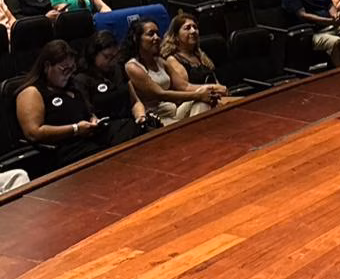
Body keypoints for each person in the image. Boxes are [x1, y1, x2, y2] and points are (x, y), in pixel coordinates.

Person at [16, 41, 133, 169]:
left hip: (90, 138)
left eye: (72, 69)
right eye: (65, 69)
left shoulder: (72, 86)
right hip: (65, 148)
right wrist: (75, 129)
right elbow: (33, 133)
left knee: (129, 129)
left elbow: (88, 112)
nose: (69, 74)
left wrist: (93, 120)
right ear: (47, 66)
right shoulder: (32, 92)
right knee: (108, 156)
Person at [125, 18, 223, 124]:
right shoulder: (133, 67)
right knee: (201, 98)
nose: (156, 37)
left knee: (203, 101)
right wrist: (198, 95)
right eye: (151, 34)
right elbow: (160, 94)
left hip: (175, 112)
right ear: (136, 39)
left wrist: (213, 88)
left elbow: (184, 86)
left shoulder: (160, 61)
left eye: (157, 33)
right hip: (158, 119)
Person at [75, 31, 149, 133]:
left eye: (114, 56)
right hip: (107, 130)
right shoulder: (82, 79)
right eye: (107, 57)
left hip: (130, 123)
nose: (112, 61)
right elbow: (90, 115)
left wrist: (141, 116)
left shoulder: (118, 68)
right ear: (93, 54)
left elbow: (135, 102)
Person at [160, 14, 229, 107]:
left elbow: (215, 81)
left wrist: (221, 91)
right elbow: (184, 88)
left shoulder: (200, 55)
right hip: (193, 105)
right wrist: (214, 88)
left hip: (213, 100)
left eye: (195, 27)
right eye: (187, 28)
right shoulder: (173, 60)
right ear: (176, 36)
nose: (193, 31)